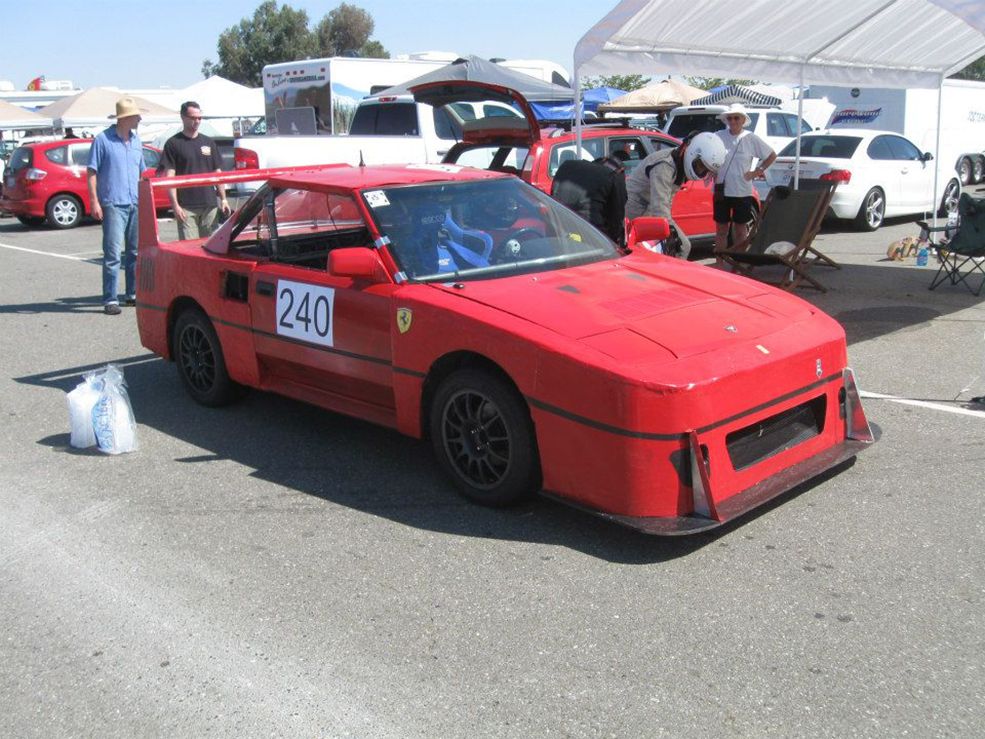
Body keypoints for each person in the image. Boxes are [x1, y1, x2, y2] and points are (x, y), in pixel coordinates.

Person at [87, 96, 146, 315]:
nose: (139, 119)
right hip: (113, 203)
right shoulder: (103, 140)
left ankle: (131, 294)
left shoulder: (137, 140)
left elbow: (142, 172)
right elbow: (92, 172)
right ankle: (110, 298)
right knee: (112, 254)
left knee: (134, 253)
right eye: (136, 116)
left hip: (134, 203)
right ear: (125, 118)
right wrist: (95, 201)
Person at [625, 132, 727, 258]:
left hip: (647, 210)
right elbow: (660, 209)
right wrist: (671, 234)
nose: (701, 171)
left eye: (705, 169)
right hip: (634, 212)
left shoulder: (679, 162)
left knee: (674, 247)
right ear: (692, 153)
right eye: (700, 166)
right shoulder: (665, 166)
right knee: (682, 246)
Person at [712, 103, 776, 253]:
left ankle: (738, 262)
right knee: (721, 229)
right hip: (721, 191)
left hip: (742, 191)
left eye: (736, 118)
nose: (733, 121)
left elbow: (771, 155)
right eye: (730, 118)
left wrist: (757, 171)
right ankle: (720, 262)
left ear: (742, 120)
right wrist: (711, 170)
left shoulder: (750, 138)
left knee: (740, 229)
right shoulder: (717, 136)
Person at [161, 101, 230, 240]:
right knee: (190, 249)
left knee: (211, 248)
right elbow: (170, 177)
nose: (197, 121)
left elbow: (217, 173)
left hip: (209, 205)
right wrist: (175, 205)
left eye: (199, 118)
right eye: (193, 118)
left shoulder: (208, 142)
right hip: (186, 207)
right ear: (183, 117)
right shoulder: (173, 143)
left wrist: (223, 199)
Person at [551, 155, 628, 245]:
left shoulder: (567, 166)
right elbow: (617, 216)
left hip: (557, 229)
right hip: (592, 236)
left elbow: (553, 195)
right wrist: (614, 241)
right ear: (621, 170)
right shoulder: (615, 176)